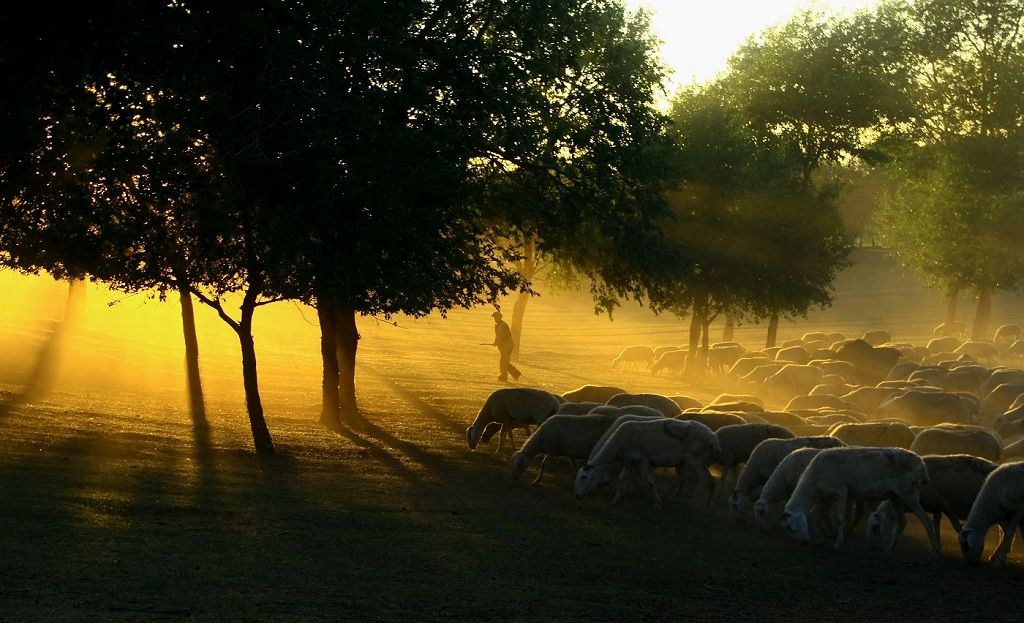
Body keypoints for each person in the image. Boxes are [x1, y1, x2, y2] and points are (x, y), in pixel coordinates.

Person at [490, 310, 521, 382]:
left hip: (507, 346)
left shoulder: (504, 325)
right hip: (503, 346)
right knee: (505, 361)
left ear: (499, 317)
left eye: (496, 317)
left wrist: (499, 342)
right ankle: (515, 374)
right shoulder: (497, 325)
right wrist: (496, 342)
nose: (494, 319)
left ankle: (504, 377)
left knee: (503, 362)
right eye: (494, 317)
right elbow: (498, 336)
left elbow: (507, 336)